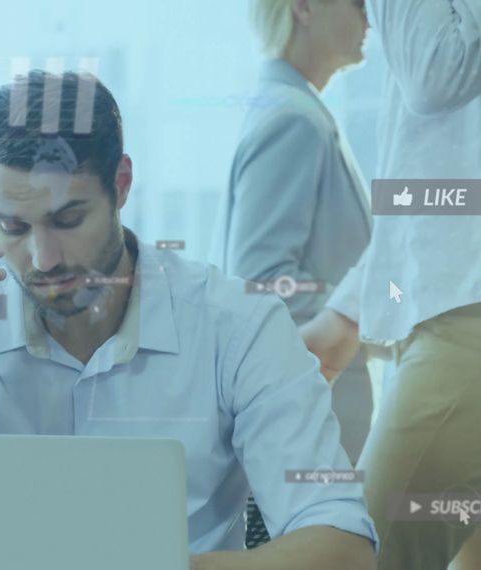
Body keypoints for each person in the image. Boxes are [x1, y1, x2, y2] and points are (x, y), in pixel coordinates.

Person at [0, 70, 377, 569]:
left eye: (68, 219)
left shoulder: (238, 326)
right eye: (11, 226)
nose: (44, 258)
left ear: (121, 184)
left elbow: (344, 548)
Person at [301, 0, 481, 568]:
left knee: (362, 555)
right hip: (446, 318)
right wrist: (349, 312)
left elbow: (436, 76)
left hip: (462, 331)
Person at [211, 0, 374, 549]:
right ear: (303, 7)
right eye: (357, 1)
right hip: (310, 415)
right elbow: (261, 279)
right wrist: (364, 300)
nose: (370, 14)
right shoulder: (293, 119)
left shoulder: (296, 109)